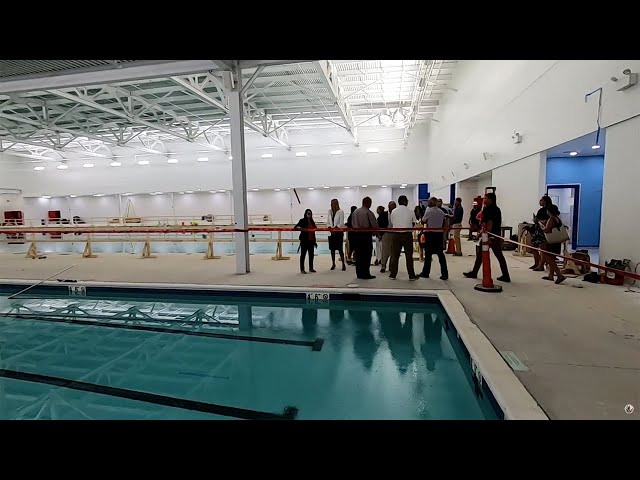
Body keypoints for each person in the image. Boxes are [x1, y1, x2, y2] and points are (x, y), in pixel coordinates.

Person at [463, 192, 511, 282]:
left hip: (489, 236)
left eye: (485, 198)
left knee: (483, 255)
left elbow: (489, 224)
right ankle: (505, 275)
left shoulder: (489, 210)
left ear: (490, 199)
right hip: (494, 235)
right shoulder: (496, 209)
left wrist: (486, 235)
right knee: (497, 256)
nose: (484, 199)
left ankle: (474, 272)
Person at [388, 195, 418, 280]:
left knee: (395, 255)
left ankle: (393, 274)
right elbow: (414, 223)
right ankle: (411, 275)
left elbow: (393, 222)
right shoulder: (411, 211)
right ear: (406, 202)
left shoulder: (393, 211)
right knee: (409, 256)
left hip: (396, 235)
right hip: (407, 235)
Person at [419, 197, 449, 280]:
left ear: (432, 202)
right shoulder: (441, 212)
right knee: (440, 254)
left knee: (428, 254)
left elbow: (423, 221)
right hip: (439, 234)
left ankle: (426, 272)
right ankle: (445, 274)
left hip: (430, 234)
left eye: (429, 201)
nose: (428, 203)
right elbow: (444, 223)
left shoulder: (428, 211)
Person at [351, 197, 378, 279]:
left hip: (356, 235)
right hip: (366, 236)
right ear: (368, 203)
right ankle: (366, 273)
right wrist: (377, 233)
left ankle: (359, 273)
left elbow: (352, 224)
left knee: (359, 255)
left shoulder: (355, 212)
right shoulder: (368, 213)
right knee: (366, 255)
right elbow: (374, 225)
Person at [540, 204, 567, 285]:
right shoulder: (558, 219)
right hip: (557, 242)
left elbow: (546, 230)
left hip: (551, 242)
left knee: (549, 258)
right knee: (552, 258)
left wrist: (541, 226)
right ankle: (551, 275)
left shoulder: (551, 219)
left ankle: (559, 275)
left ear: (549, 211)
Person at [529, 195, 552, 271]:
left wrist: (539, 221)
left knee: (543, 249)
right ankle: (537, 263)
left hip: (544, 231)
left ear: (545, 201)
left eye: (541, 200)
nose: (540, 201)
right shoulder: (540, 210)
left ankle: (541, 265)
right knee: (533, 247)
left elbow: (547, 221)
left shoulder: (549, 210)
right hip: (537, 231)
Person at [294, 209, 317, 274]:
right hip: (304, 241)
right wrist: (300, 228)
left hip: (311, 241)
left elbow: (314, 230)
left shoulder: (312, 221)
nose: (309, 215)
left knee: (311, 255)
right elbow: (295, 227)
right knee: (303, 255)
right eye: (308, 213)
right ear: (305, 214)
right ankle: (302, 269)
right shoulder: (302, 220)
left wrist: (315, 241)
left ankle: (311, 268)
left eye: (310, 213)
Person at [327, 199, 346, 271]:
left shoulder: (341, 212)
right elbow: (328, 222)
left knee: (340, 249)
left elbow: (341, 223)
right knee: (332, 249)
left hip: (338, 233)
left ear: (337, 204)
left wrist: (335, 229)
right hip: (331, 233)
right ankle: (333, 263)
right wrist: (329, 227)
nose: (332, 205)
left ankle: (343, 264)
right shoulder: (329, 211)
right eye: (331, 204)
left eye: (334, 204)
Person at [380, 201, 396, 272]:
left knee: (393, 251)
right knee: (385, 251)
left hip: (395, 233)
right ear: (388, 207)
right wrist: (380, 234)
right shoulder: (383, 214)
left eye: (394, 206)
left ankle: (391, 266)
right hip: (386, 233)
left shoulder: (397, 214)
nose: (393, 208)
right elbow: (379, 223)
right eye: (392, 206)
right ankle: (383, 266)